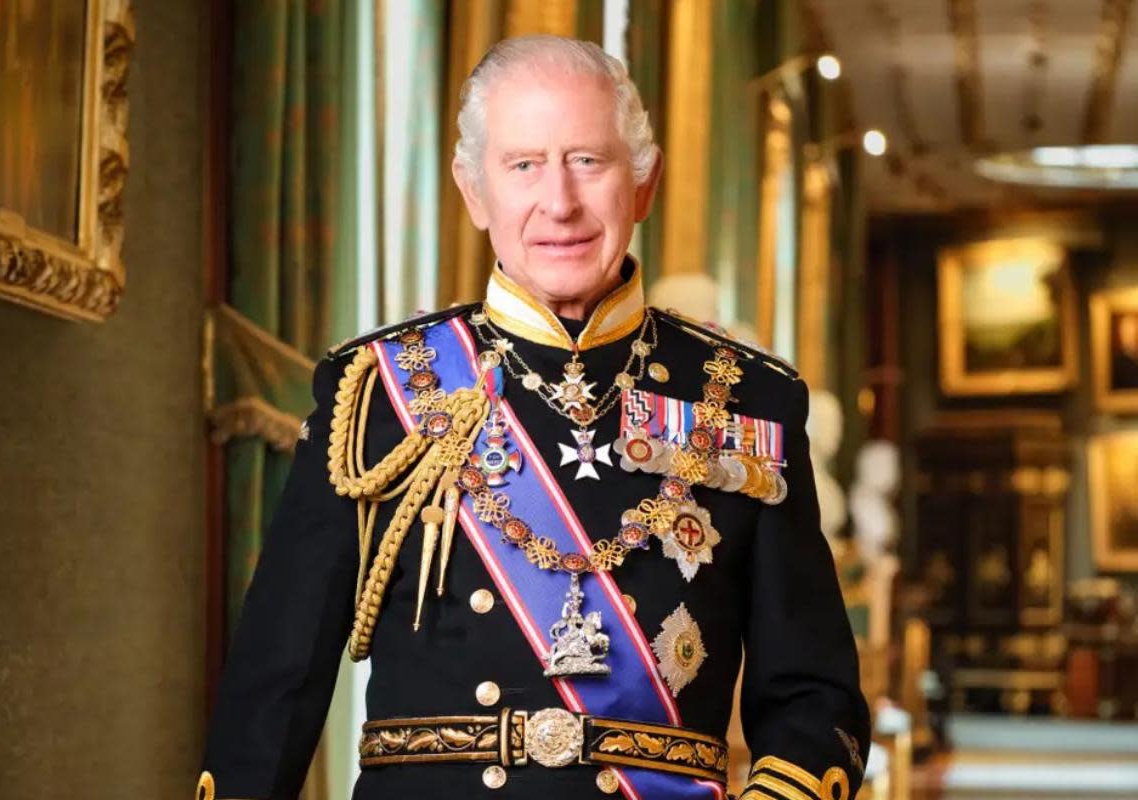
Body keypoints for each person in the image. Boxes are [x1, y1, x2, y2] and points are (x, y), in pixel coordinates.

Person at [199, 35, 868, 800]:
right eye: (524, 165)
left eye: (589, 160)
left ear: (643, 184)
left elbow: (815, 698)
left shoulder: (748, 399)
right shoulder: (378, 392)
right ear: (473, 190)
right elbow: (272, 692)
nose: (560, 203)